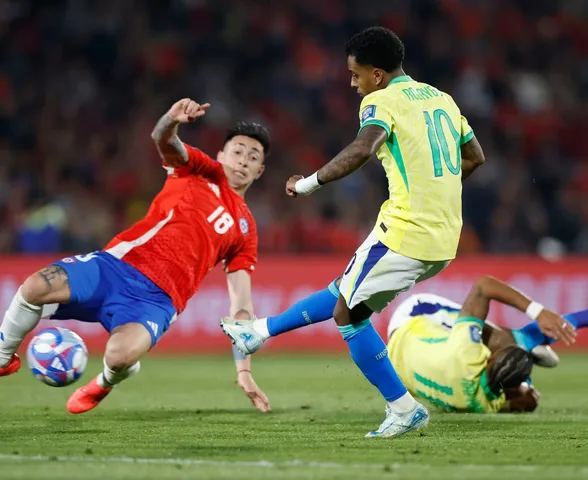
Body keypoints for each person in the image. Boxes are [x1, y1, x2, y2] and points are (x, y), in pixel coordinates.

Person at [223, 26, 485, 438]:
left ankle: (402, 408)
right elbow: (474, 155)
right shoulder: (442, 99)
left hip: (406, 230)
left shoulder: (381, 100)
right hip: (443, 235)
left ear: (377, 75)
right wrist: (438, 188)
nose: (352, 82)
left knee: (348, 313)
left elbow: (364, 148)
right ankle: (258, 332)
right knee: (346, 287)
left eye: (356, 74)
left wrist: (306, 183)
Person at [0, 98, 271, 414]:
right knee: (35, 286)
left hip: (157, 301)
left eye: (253, 157)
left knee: (119, 357)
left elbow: (241, 305)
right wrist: (171, 119)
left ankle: (104, 382)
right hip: (116, 266)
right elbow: (164, 140)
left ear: (260, 170)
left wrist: (244, 371)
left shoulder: (246, 229)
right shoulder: (199, 169)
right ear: (221, 155)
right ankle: (4, 358)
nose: (243, 161)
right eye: (237, 152)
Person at [223, 275, 581, 414]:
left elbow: (484, 286)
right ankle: (529, 356)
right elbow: (521, 402)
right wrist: (526, 392)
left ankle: (529, 345)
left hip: (411, 322)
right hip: (401, 369)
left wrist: (538, 312)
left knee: (508, 336)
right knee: (517, 349)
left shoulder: (468, 351)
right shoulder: (482, 405)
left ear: (486, 360)